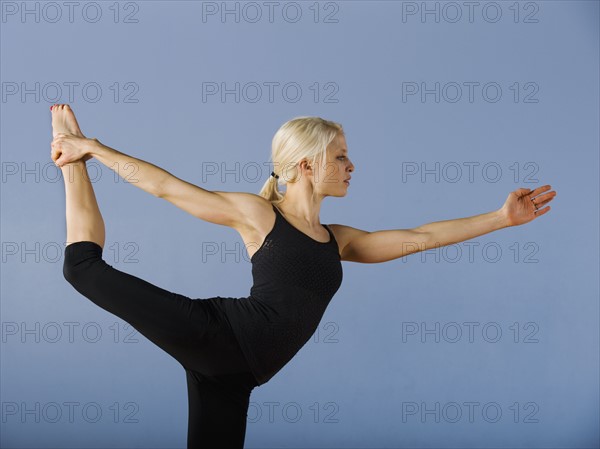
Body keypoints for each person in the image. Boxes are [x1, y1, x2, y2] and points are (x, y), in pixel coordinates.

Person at [50, 104, 556, 448]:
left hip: (236, 377)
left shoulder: (339, 240)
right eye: (341, 157)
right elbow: (166, 187)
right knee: (81, 267)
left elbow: (421, 236)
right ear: (308, 164)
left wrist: (500, 218)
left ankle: (71, 151)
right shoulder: (259, 216)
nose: (351, 166)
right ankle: (67, 157)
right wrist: (91, 148)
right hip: (217, 334)